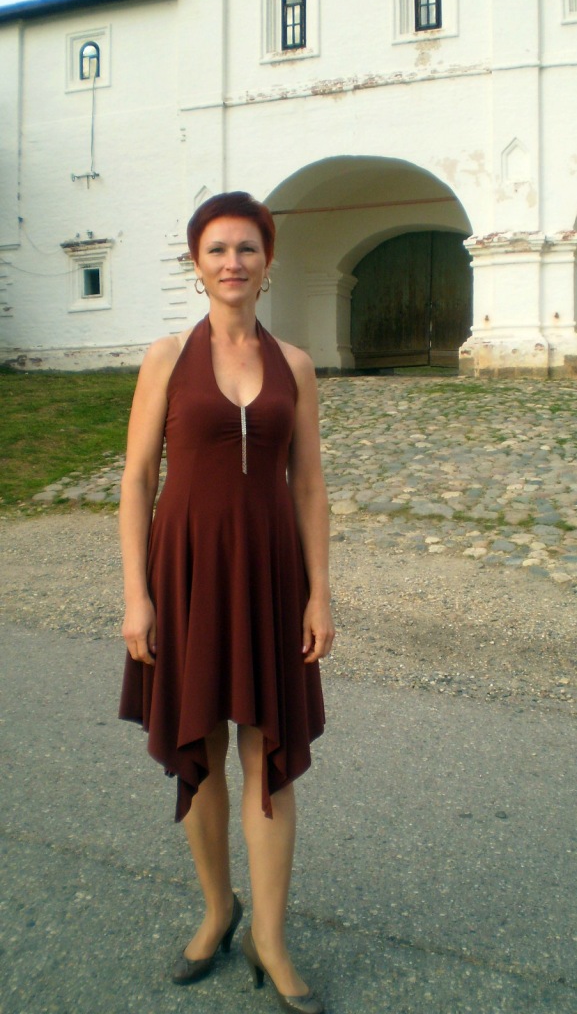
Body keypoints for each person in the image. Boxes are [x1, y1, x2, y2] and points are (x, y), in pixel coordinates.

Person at [118, 191, 334, 1014]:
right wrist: (137, 596)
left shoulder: (296, 365)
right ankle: (218, 911)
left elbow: (308, 487)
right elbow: (137, 479)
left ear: (267, 261)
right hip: (184, 574)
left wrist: (320, 593)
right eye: (217, 249)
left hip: (272, 576)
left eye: (247, 248)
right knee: (198, 745)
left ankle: (269, 939)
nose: (232, 262)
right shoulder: (166, 357)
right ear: (196, 263)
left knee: (266, 754)